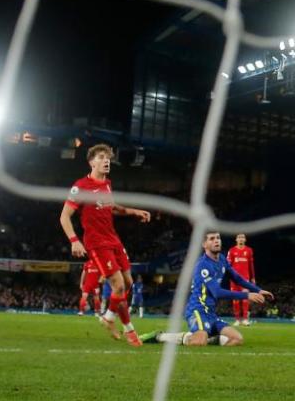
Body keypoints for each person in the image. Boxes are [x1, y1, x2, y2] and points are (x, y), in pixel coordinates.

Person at [60, 143, 150, 346]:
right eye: (101, 157)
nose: (106, 160)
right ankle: (116, 322)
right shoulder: (81, 186)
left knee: (127, 285)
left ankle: (121, 325)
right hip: (97, 243)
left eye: (108, 157)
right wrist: (74, 241)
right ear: (91, 162)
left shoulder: (107, 184)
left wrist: (133, 211)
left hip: (113, 238)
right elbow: (64, 216)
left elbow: (111, 208)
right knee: (118, 286)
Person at [140, 231, 272, 347]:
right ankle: (160, 336)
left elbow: (237, 278)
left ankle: (208, 339)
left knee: (237, 339)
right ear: (204, 245)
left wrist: (258, 290)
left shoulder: (222, 259)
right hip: (197, 310)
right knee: (198, 342)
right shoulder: (202, 265)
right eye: (212, 239)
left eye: (218, 238)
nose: (216, 241)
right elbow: (217, 292)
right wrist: (246, 295)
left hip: (211, 313)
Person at [226, 233, 255, 326]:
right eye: (239, 237)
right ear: (236, 239)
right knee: (236, 299)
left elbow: (251, 265)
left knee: (245, 298)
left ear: (245, 239)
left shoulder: (249, 250)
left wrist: (253, 277)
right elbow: (228, 265)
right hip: (234, 279)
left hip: (245, 278)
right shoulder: (232, 250)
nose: (241, 239)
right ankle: (237, 319)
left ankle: (245, 319)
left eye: (242, 237)